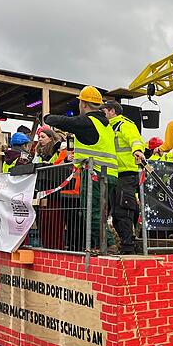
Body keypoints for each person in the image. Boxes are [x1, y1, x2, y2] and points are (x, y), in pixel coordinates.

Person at [44, 85, 118, 252]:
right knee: (100, 213)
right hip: (110, 174)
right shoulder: (105, 124)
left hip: (95, 173)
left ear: (83, 104)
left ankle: (107, 245)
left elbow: (63, 121)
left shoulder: (87, 121)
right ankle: (103, 245)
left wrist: (47, 117)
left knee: (93, 212)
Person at [102, 100, 145, 255]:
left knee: (123, 211)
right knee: (117, 214)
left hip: (126, 173)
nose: (103, 113)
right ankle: (128, 244)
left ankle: (128, 247)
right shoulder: (108, 127)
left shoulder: (124, 125)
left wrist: (137, 150)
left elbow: (135, 140)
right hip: (116, 174)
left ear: (112, 111)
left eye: (104, 110)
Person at [34, 126, 69, 250]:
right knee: (44, 223)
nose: (40, 140)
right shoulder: (39, 152)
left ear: (50, 138)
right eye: (39, 137)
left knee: (54, 223)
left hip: (55, 191)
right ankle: (46, 246)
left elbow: (60, 165)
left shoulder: (59, 149)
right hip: (43, 191)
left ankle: (56, 248)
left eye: (43, 137)